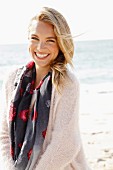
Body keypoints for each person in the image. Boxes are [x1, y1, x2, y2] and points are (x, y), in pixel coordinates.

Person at [0, 7, 90, 170]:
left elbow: (65, 144)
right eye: (35, 38)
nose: (40, 47)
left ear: (61, 43)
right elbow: (4, 135)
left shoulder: (66, 83)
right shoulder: (12, 79)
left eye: (50, 40)